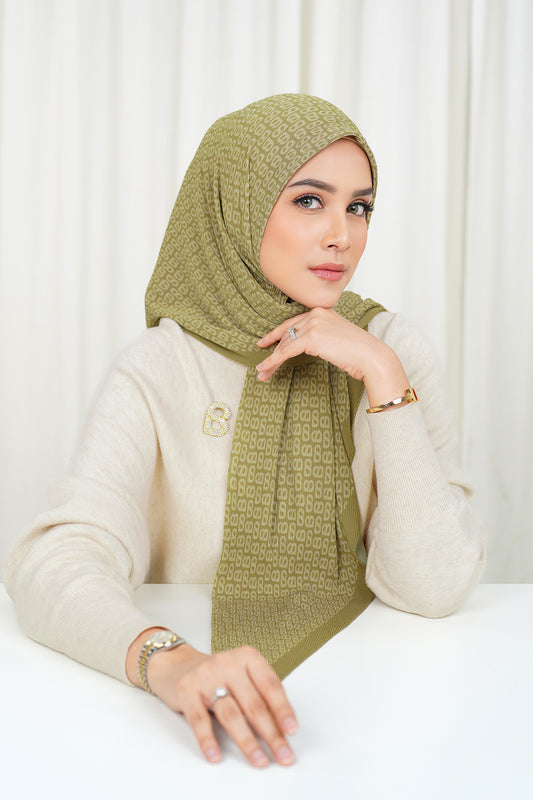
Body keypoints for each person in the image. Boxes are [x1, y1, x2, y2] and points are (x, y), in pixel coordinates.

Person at [3, 94, 486, 769]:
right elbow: (56, 563)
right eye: (309, 201)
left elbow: (432, 588)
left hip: (382, 707)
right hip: (169, 729)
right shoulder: (160, 366)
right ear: (236, 206)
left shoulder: (390, 349)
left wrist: (382, 376)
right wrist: (167, 659)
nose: (342, 235)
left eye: (359, 207)